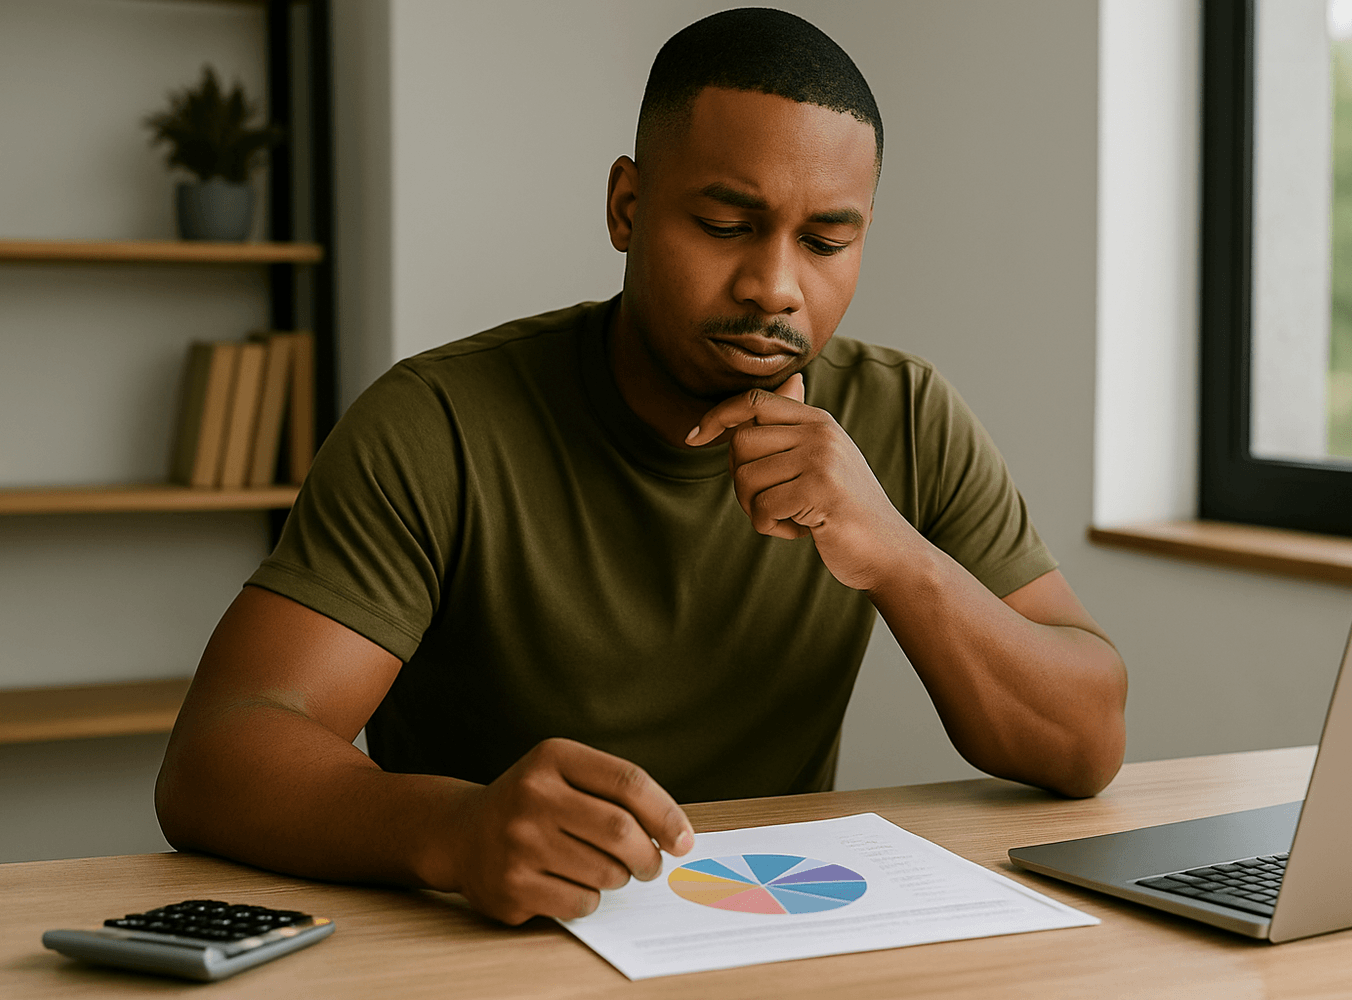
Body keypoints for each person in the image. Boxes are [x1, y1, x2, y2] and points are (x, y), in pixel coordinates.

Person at [155, 8, 1127, 927]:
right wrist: (451, 828)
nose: (776, 285)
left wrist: (901, 559)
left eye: (828, 239)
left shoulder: (902, 415)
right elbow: (216, 758)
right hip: (492, 947)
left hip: (766, 937)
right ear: (627, 205)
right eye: (726, 223)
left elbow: (1085, 739)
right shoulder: (437, 425)